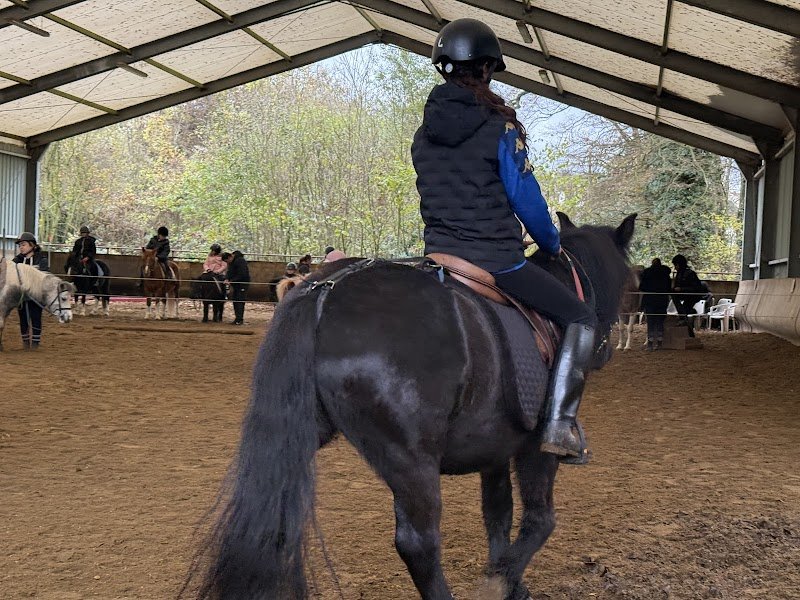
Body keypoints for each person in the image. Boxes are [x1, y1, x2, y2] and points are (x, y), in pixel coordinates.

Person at [411, 18, 597, 464]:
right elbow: (526, 201)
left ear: (444, 68)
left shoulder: (423, 135)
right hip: (494, 259)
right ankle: (558, 425)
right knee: (582, 318)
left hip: (438, 256)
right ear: (489, 68)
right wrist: (551, 243)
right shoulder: (502, 128)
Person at [13, 232, 49, 349]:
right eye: (20, 245)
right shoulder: (17, 260)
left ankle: (35, 343)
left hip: (36, 295)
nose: (21, 247)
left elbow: (44, 277)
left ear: (32, 245)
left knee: (36, 317)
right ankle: (25, 343)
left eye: (23, 244)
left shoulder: (42, 260)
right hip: (22, 296)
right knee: (23, 319)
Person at [671, 254, 709, 337]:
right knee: (683, 312)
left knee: (684, 314)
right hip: (685, 295)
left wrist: (681, 289)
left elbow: (696, 288)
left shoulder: (690, 273)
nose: (675, 268)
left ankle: (684, 315)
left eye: (676, 265)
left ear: (679, 264)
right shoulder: (679, 274)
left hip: (692, 296)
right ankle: (690, 334)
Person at [639, 258, 672, 351]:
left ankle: (650, 343)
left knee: (651, 322)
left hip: (650, 301)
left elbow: (641, 287)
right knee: (660, 321)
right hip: (662, 300)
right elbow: (669, 288)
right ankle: (660, 343)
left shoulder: (647, 273)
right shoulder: (665, 274)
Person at [224, 250, 250, 325]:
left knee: (240, 301)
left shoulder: (240, 261)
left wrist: (231, 281)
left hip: (242, 284)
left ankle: (239, 319)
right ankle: (237, 318)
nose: (227, 263)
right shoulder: (232, 263)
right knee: (235, 300)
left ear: (230, 257)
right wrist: (227, 278)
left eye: (227, 261)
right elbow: (229, 272)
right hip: (236, 285)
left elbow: (242, 274)